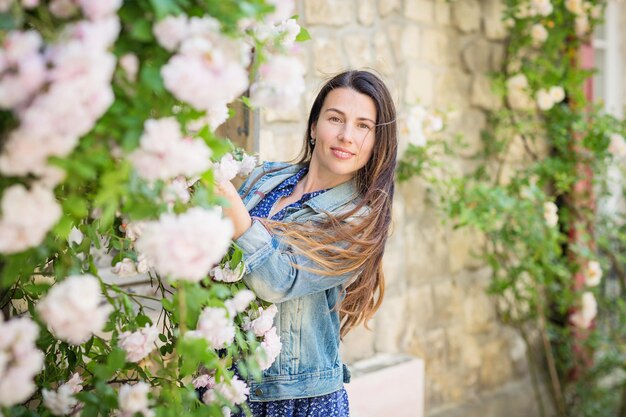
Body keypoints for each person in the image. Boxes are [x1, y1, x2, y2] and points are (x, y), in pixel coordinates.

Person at [217, 70, 398, 417]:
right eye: (336, 119)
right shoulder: (266, 179)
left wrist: (231, 207)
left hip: (293, 401)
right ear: (314, 127)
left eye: (363, 126)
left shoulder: (358, 221)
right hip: (223, 385)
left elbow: (278, 280)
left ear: (377, 143)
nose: (346, 136)